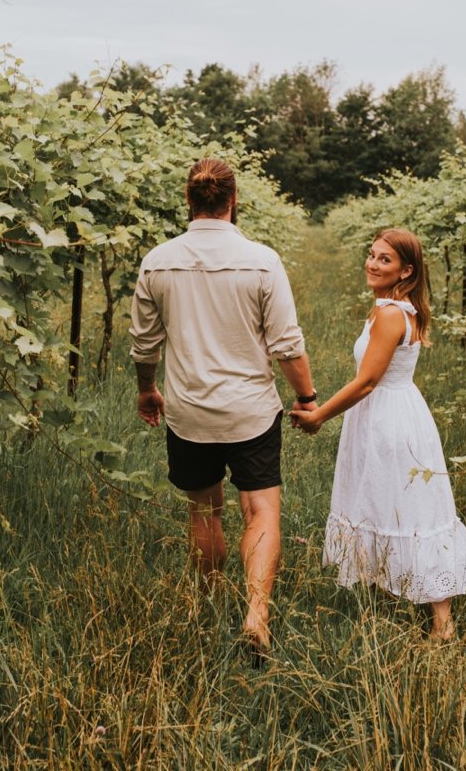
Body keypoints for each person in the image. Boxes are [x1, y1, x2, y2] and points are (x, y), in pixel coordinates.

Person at [130, 158, 317, 659]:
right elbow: (287, 345)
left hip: (189, 412)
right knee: (260, 510)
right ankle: (256, 614)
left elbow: (144, 345)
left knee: (203, 510)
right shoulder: (262, 260)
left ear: (188, 201)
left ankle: (213, 602)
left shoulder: (157, 260)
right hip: (251, 411)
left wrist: (148, 389)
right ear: (233, 202)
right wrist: (306, 397)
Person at [290, 228, 466, 640]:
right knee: (395, 502)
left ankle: (442, 622)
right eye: (371, 255)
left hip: (387, 419)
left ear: (406, 271)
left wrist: (318, 417)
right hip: (394, 413)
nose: (372, 263)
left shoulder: (389, 314)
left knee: (409, 508)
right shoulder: (397, 309)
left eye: (385, 259)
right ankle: (405, 599)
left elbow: (366, 382)